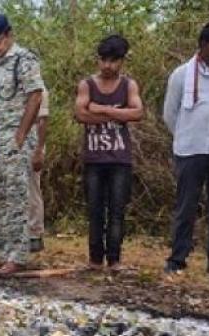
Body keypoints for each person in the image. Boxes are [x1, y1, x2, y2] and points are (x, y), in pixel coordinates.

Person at [0, 15, 45, 276]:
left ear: (9, 35)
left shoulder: (24, 60)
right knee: (1, 195)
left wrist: (21, 135)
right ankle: (6, 250)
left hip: (15, 136)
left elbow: (36, 96)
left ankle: (19, 254)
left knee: (17, 196)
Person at [75, 35, 143, 271]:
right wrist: (118, 112)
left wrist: (100, 109)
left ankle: (114, 260)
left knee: (117, 210)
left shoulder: (128, 85)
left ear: (122, 61)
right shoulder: (87, 85)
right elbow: (81, 114)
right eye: (103, 60)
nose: (107, 66)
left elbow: (137, 113)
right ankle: (95, 259)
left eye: (113, 61)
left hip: (120, 159)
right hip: (94, 159)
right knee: (94, 211)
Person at [163, 22, 209, 275]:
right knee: (186, 206)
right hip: (189, 150)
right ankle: (177, 258)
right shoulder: (182, 74)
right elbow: (170, 114)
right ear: (204, 46)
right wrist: (185, 135)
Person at [0, 90, 49, 252]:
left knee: (30, 189)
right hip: (3, 144)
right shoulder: (1, 87)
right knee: (3, 192)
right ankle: (5, 236)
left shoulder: (37, 89)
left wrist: (38, 150)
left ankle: (34, 234)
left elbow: (42, 120)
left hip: (28, 143)